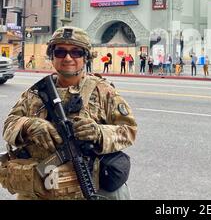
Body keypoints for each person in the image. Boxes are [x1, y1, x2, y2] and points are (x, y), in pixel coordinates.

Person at [1, 26, 137, 200]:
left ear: (86, 57)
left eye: (76, 52)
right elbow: (9, 125)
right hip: (36, 191)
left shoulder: (103, 92)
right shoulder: (34, 93)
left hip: (78, 190)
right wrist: (28, 125)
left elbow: (129, 130)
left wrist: (99, 133)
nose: (67, 58)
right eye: (60, 52)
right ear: (52, 56)